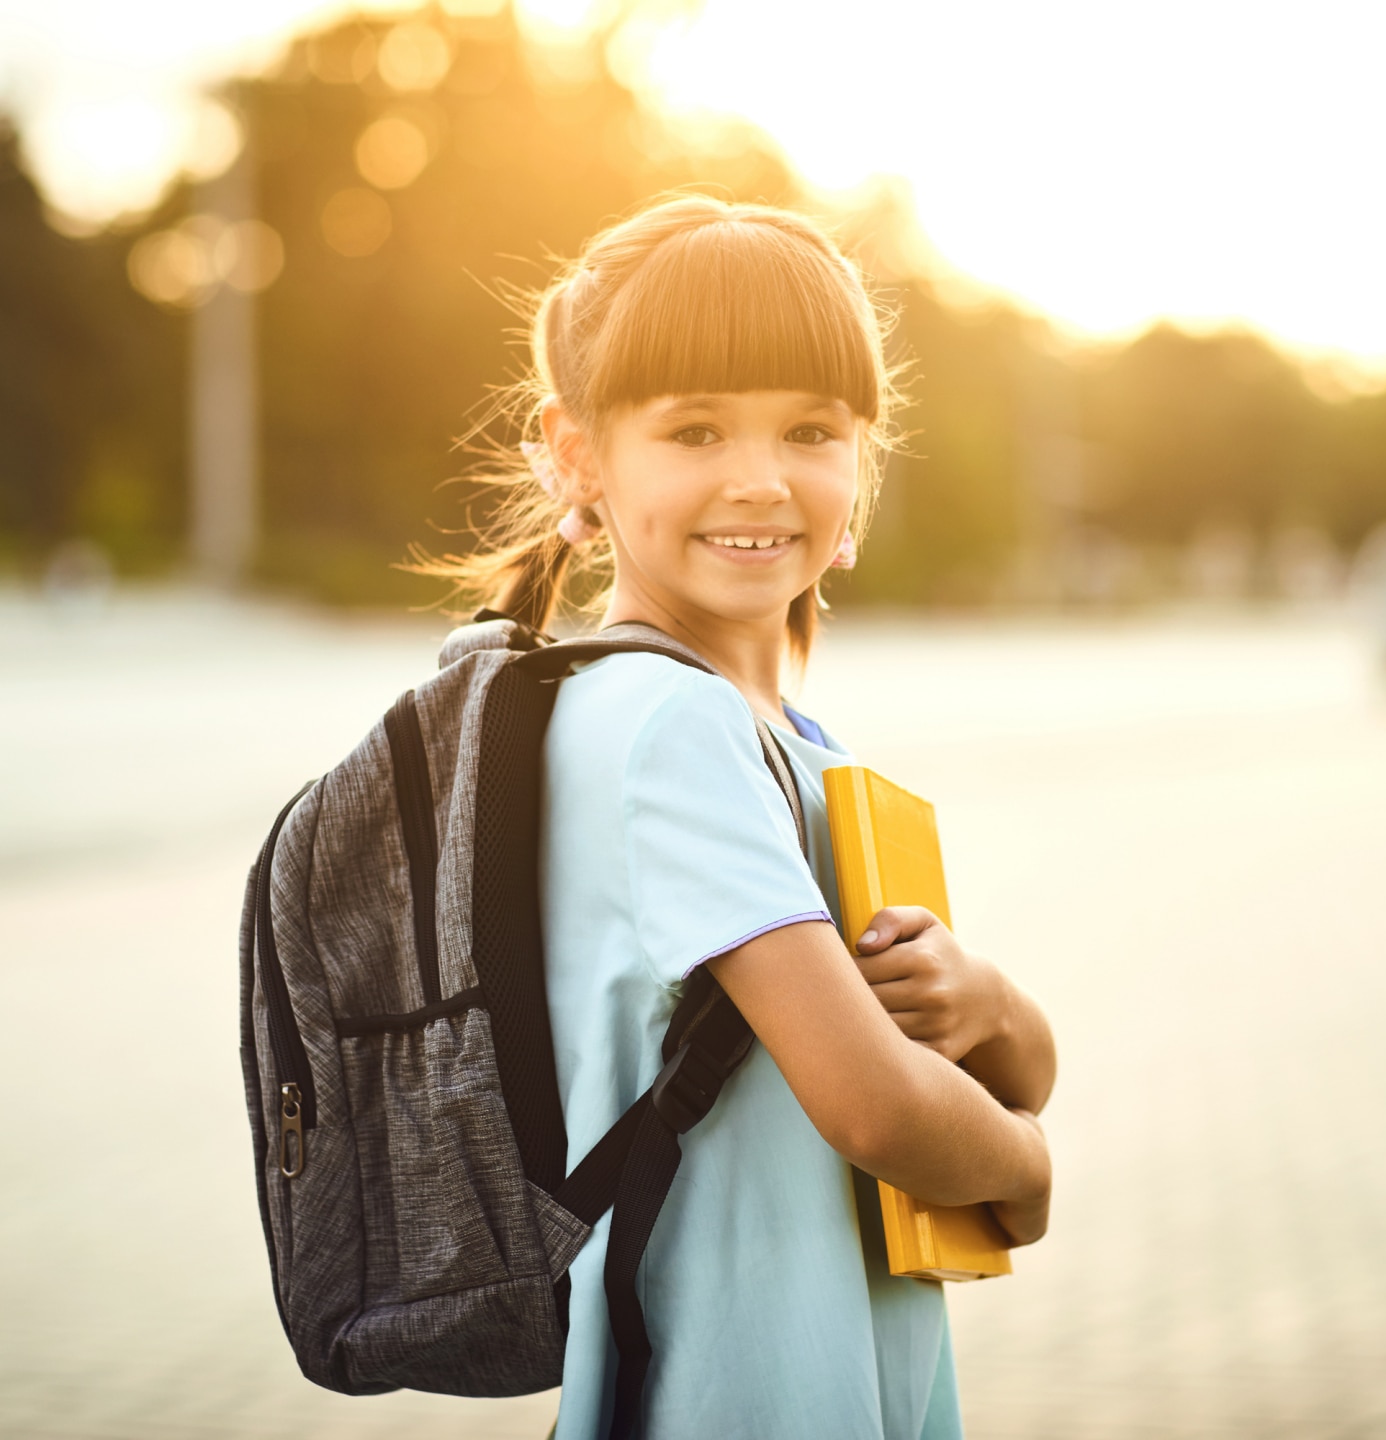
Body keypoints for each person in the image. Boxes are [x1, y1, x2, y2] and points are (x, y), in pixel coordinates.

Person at [430, 195, 1056, 1440]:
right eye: (697, 430)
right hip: (745, 1381)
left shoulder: (793, 743)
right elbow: (879, 1108)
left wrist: (983, 1001)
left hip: (835, 1361)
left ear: (862, 461)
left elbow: (1008, 1066)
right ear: (577, 455)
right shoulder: (668, 726)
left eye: (811, 429)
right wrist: (1030, 1173)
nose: (760, 480)